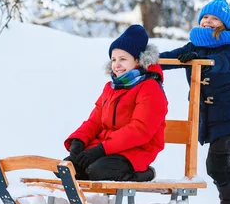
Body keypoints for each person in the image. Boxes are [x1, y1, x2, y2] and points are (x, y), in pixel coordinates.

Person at [159, 0, 230, 204]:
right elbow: (169, 59)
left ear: (224, 24)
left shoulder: (228, 46)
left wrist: (204, 62)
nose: (208, 21)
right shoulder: (194, 44)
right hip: (210, 116)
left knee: (216, 162)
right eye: (205, 16)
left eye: (214, 18)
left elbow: (226, 62)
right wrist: (145, 62)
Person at [63, 24, 168, 182]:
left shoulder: (150, 88)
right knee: (68, 167)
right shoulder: (111, 87)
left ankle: (144, 174)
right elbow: (95, 121)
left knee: (97, 172)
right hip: (108, 148)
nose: (116, 65)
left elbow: (139, 131)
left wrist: (101, 149)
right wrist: (79, 140)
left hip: (135, 150)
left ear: (138, 60)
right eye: (113, 59)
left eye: (123, 59)